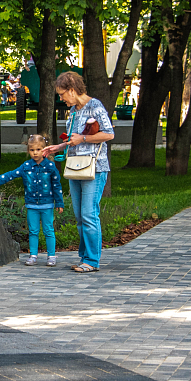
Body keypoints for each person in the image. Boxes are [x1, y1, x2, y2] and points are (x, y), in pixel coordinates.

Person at [42, 71, 114, 273]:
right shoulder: (74, 111)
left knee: (89, 214)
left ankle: (92, 260)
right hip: (75, 167)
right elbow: (73, 139)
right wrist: (58, 147)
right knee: (80, 216)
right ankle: (84, 258)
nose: (61, 98)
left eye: (62, 94)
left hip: (94, 168)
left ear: (72, 90)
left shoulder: (95, 106)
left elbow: (109, 134)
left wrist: (82, 139)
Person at [0, 134, 65, 267]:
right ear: (28, 150)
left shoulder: (50, 167)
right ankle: (33, 255)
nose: (35, 153)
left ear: (44, 149)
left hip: (47, 204)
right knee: (33, 230)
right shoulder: (26, 166)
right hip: (32, 205)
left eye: (38, 149)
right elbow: (10, 175)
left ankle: (51, 256)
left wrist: (59, 202)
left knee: (48, 230)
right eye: (32, 150)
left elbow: (57, 185)